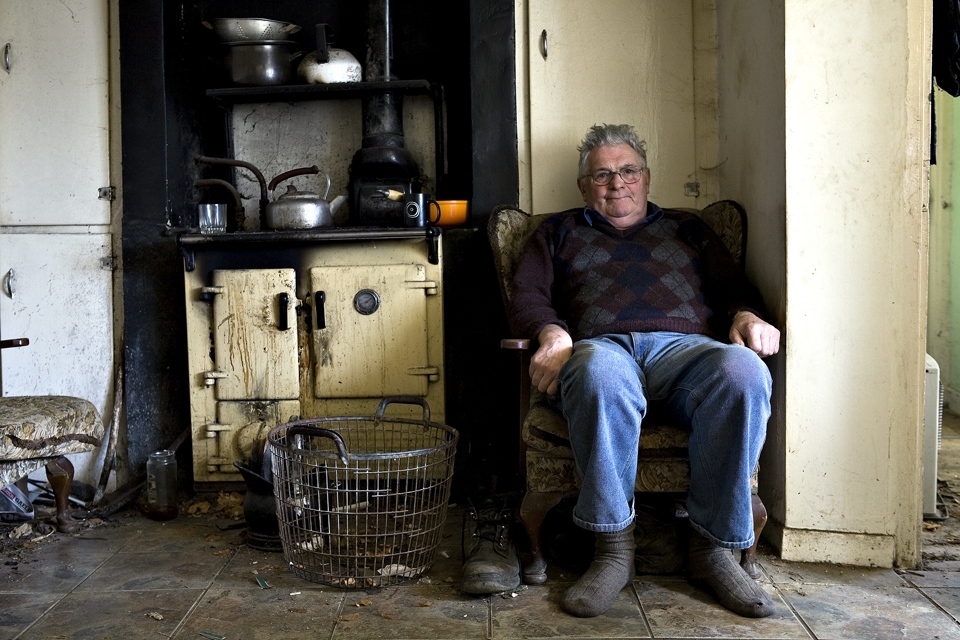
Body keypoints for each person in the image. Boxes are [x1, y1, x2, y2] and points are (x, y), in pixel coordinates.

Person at [508, 123, 781, 619]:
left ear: (647, 178)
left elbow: (734, 289)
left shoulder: (689, 229)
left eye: (628, 171)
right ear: (583, 186)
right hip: (602, 348)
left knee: (743, 373)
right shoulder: (558, 232)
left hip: (687, 351)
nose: (617, 183)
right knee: (596, 372)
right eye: (603, 175)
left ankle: (713, 549)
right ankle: (613, 550)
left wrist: (745, 315)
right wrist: (551, 332)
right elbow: (527, 295)